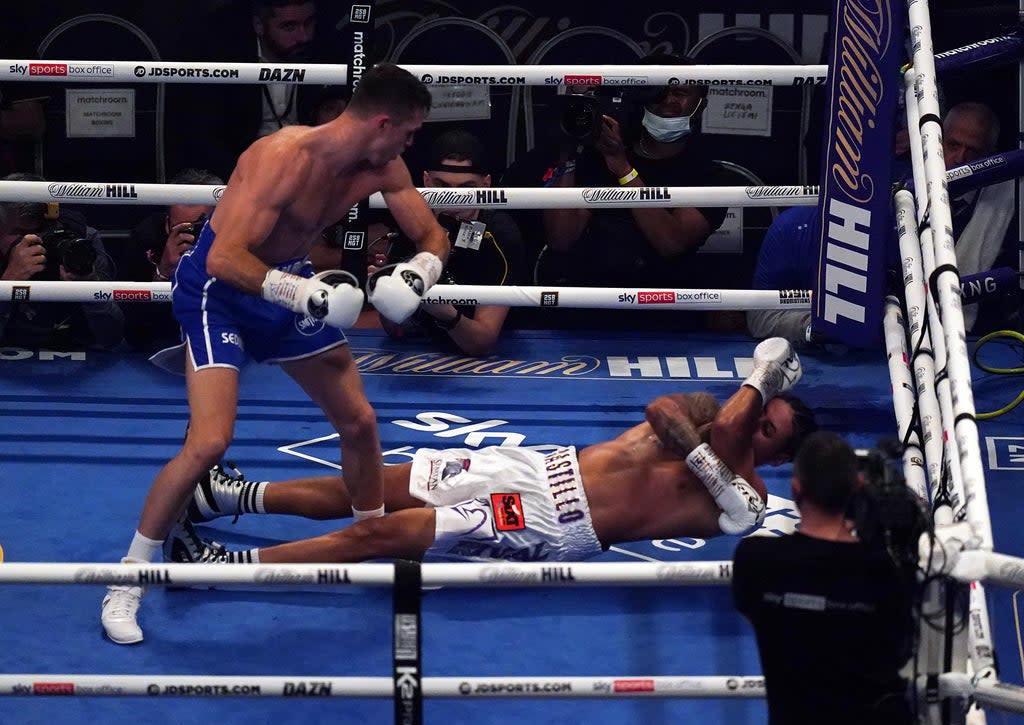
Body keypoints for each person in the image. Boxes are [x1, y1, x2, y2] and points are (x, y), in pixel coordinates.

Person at [100, 62, 451, 645]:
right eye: (409, 131)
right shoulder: (280, 157)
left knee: (360, 422)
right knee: (210, 442)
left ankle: (373, 544)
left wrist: (419, 273)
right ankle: (127, 581)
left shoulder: (385, 164)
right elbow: (223, 259)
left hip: (286, 288)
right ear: (384, 122)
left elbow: (432, 235)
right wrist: (307, 293)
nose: (412, 144)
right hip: (220, 293)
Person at [181, 338, 816, 565]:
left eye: (769, 428)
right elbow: (661, 413)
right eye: (759, 411)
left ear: (780, 457)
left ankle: (233, 562)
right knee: (377, 486)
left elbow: (729, 446)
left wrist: (760, 378)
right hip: (537, 466)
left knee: (385, 534)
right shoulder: (711, 425)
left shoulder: (752, 499)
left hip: (552, 521)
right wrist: (704, 451)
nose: (753, 421)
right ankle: (232, 496)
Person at [749, 100, 1017, 343]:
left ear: (991, 155)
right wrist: (818, 328)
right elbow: (759, 319)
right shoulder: (794, 227)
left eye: (973, 151)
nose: (960, 160)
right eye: (953, 145)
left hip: (945, 340)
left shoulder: (1004, 205)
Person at [732, 431, 916, 725]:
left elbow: (754, 611)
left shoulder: (756, 559)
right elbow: (901, 648)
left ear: (795, 491)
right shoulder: (883, 568)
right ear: (857, 487)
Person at [540, 52, 733, 329]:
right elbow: (561, 239)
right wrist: (568, 154)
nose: (668, 101)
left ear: (701, 103)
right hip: (592, 309)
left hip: (665, 316)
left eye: (680, 92)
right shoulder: (599, 156)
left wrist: (623, 169)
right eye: (658, 91)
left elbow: (671, 242)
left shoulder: (709, 174)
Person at [370, 128, 528, 355]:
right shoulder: (411, 222)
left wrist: (443, 312)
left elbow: (481, 343)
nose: (453, 198)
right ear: (426, 181)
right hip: (421, 352)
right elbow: (396, 331)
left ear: (486, 185)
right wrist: (387, 298)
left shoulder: (500, 235)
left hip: (495, 357)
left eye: (466, 188)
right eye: (442, 186)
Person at [167, 0, 348, 181]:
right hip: (240, 172)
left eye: (309, 23)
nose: (303, 36)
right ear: (259, 25)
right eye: (289, 27)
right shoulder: (224, 54)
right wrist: (249, 178)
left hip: (310, 170)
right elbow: (204, 138)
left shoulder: (327, 47)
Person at [0, 173, 123, 350]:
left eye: (41, 231)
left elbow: (112, 338)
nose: (33, 242)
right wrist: (8, 284)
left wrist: (90, 289)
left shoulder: (81, 240)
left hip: (80, 352)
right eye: (20, 234)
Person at [115, 168, 223, 353]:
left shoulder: (234, 238)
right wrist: (163, 271)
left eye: (199, 227)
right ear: (167, 223)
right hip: (161, 341)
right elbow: (132, 327)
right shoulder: (145, 238)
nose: (190, 235)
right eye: (180, 227)